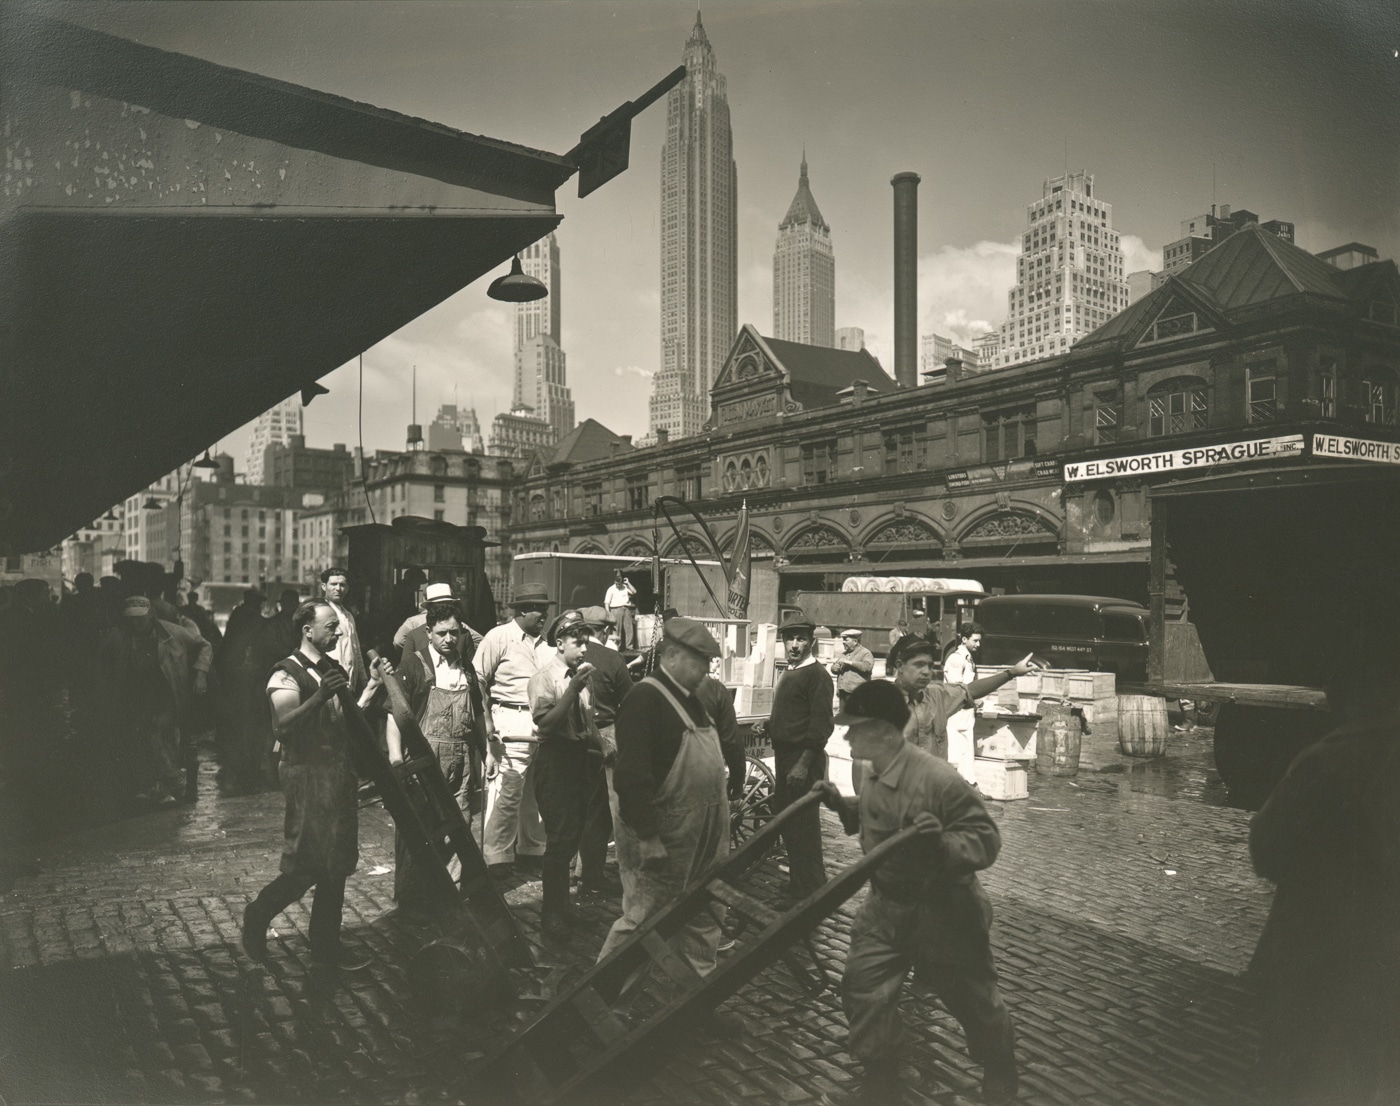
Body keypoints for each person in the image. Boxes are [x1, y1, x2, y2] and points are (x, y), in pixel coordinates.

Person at [815, 680, 1019, 1105]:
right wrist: (843, 806)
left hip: (945, 909)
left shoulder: (938, 779)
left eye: (854, 728)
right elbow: (877, 817)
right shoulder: (876, 770)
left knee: (972, 999)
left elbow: (986, 840)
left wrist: (941, 846)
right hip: (887, 906)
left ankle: (999, 1064)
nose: (846, 737)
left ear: (883, 731)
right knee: (864, 988)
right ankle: (881, 1073)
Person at [1246, 645, 1400, 1106]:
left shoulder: (1326, 760)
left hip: (1320, 958)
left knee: (1307, 1080)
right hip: (1386, 966)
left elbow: (1267, 849)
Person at [600, 617, 738, 1032]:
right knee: (643, 921)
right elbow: (631, 778)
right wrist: (648, 836)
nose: (707, 671)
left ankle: (696, 1006)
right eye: (700, 662)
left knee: (705, 916)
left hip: (705, 833)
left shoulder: (693, 700)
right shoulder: (645, 699)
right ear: (672, 655)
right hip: (666, 835)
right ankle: (603, 1006)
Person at [242, 600, 386, 973]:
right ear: (308, 630)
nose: (338, 631)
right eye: (330, 626)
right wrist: (320, 695)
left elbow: (345, 717)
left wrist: (371, 685)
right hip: (306, 774)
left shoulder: (331, 667)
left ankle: (325, 948)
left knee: (337, 864)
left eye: (338, 625)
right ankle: (258, 914)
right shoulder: (286, 673)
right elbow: (283, 727)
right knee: (306, 866)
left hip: (337, 773)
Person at [386, 602, 490, 915]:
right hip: (424, 758)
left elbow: (478, 714)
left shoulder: (467, 668)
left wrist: (487, 753)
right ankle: (411, 901)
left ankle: (449, 896)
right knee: (419, 827)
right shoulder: (414, 666)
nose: (448, 639)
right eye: (442, 633)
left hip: (461, 759)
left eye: (454, 633)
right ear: (429, 633)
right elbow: (394, 714)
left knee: (460, 825)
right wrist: (396, 758)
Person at [529, 611, 608, 939]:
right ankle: (551, 915)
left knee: (573, 837)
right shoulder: (544, 679)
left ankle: (564, 908)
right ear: (560, 643)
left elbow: (588, 722)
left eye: (586, 642)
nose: (585, 649)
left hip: (579, 762)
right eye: (578, 643)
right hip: (555, 763)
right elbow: (546, 725)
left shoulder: (581, 677)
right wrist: (572, 690)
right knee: (559, 842)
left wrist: (604, 746)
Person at [98, 595, 212, 804]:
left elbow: (204, 646)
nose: (135, 624)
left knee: (157, 733)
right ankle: (152, 785)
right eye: (131, 619)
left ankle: (172, 782)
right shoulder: (120, 635)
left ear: (151, 615)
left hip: (166, 692)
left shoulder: (173, 632)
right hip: (136, 694)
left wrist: (201, 674)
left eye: (140, 619)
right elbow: (101, 657)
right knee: (139, 736)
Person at [474, 587, 554, 872]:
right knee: (507, 790)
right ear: (521, 611)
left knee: (535, 789)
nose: (544, 614)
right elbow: (477, 680)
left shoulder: (547, 643)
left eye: (545, 609)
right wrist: (487, 721)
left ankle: (532, 849)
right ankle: (496, 855)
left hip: (541, 720)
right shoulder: (498, 637)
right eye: (538, 609)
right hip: (510, 716)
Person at [767, 616, 835, 900]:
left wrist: (803, 765)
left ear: (812, 642)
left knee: (804, 827)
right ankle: (800, 885)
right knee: (789, 825)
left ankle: (810, 891)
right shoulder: (791, 671)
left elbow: (820, 727)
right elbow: (794, 715)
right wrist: (768, 726)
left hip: (802, 761)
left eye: (801, 639)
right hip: (786, 758)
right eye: (789, 639)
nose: (794, 645)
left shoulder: (817, 676)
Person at [577, 606, 635, 895]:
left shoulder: (569, 654)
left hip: (575, 734)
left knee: (582, 805)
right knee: (612, 809)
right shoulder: (612, 659)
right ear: (603, 630)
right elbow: (631, 700)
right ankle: (610, 874)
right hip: (607, 733)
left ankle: (579, 869)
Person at [393, 581, 483, 662]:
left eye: (445, 605)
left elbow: (398, 641)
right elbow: (481, 641)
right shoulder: (414, 624)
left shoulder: (412, 622)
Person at [943, 622, 984, 784]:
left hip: (966, 712)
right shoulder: (956, 659)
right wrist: (974, 698)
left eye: (979, 641)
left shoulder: (968, 658)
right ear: (964, 639)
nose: (978, 644)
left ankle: (968, 784)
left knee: (966, 751)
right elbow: (956, 687)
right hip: (956, 711)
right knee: (956, 752)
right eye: (975, 641)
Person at [320, 568, 367, 693]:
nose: (338, 588)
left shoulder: (349, 616)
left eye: (342, 585)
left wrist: (364, 681)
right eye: (333, 584)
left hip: (350, 684)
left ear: (347, 588)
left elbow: (356, 651)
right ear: (324, 586)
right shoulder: (320, 614)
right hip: (328, 682)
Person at [830, 628, 875, 708]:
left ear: (855, 641)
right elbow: (834, 668)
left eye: (846, 639)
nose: (843, 642)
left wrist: (850, 662)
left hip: (857, 694)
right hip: (843, 692)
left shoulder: (865, 653)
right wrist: (834, 668)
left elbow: (867, 667)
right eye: (843, 640)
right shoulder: (844, 654)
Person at [604, 570, 638, 651]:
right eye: (616, 584)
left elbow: (634, 592)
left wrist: (628, 583)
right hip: (616, 609)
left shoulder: (625, 587)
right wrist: (608, 613)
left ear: (622, 582)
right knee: (616, 629)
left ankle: (629, 646)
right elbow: (606, 602)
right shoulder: (611, 589)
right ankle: (617, 647)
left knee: (629, 628)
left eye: (619, 584)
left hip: (626, 609)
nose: (618, 585)